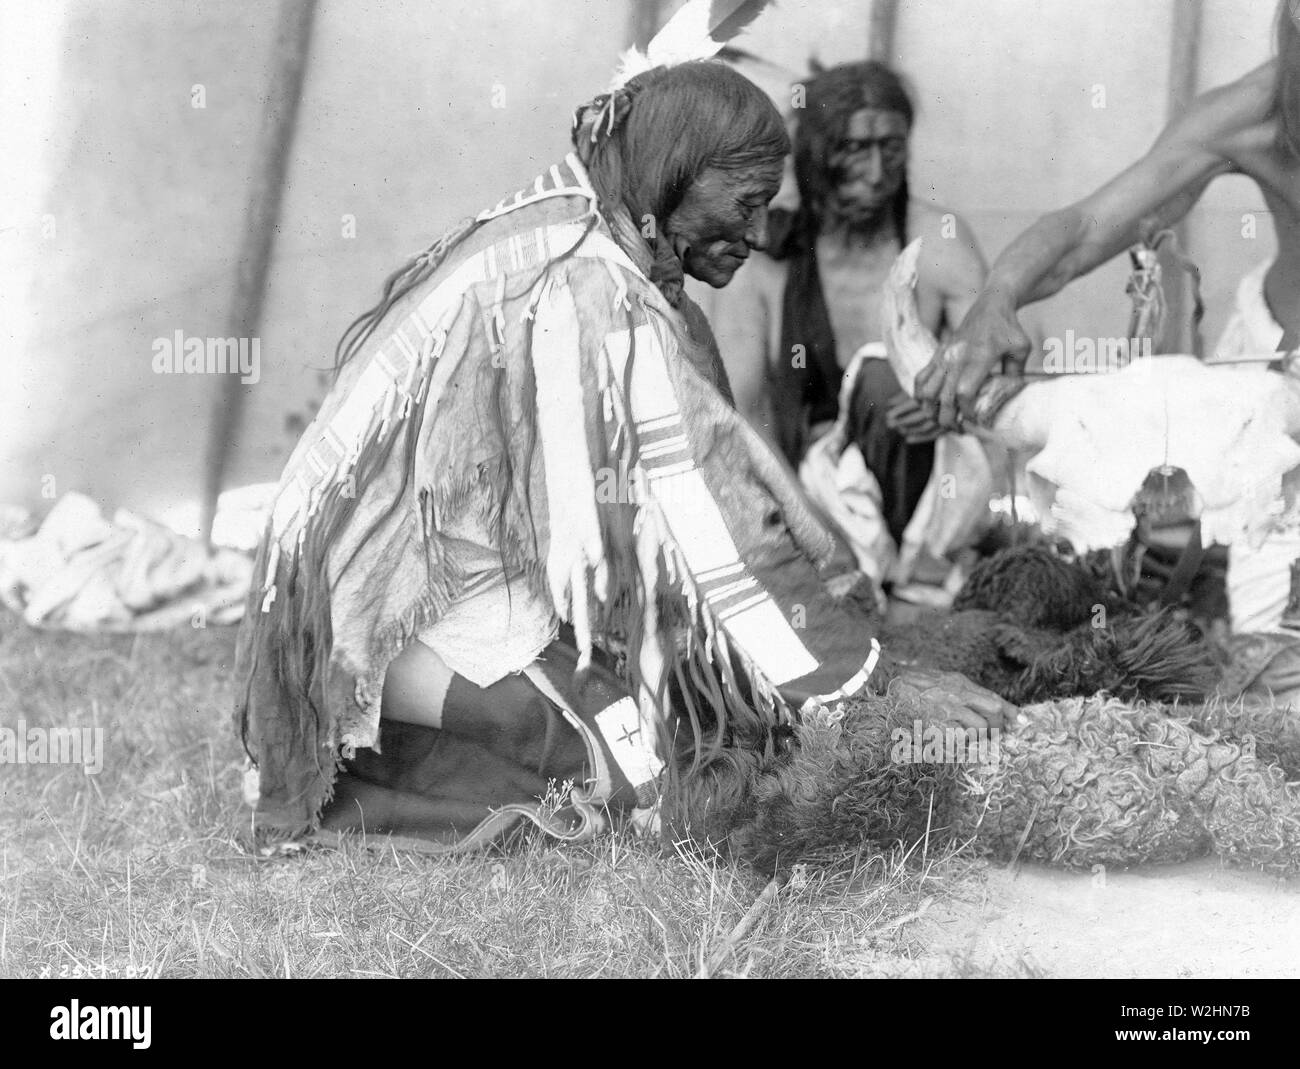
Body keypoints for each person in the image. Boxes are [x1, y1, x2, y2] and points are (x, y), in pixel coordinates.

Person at [234, 59, 1012, 852]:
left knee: (698, 712)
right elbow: (709, 522)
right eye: (743, 204)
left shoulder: (589, 220)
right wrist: (872, 683)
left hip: (444, 576)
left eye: (764, 208)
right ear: (676, 172)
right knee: (644, 769)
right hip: (364, 613)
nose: (753, 233)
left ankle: (429, 732)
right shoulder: (592, 283)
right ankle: (352, 755)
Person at [915, 2, 1300, 633]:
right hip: (1270, 385)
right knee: (1257, 637)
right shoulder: (1243, 115)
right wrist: (995, 301)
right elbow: (1082, 233)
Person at [694, 60, 991, 596]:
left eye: (891, 148)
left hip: (926, 500)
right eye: (855, 149)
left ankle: (912, 572)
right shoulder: (765, 256)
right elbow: (739, 417)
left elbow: (997, 372)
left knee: (881, 380)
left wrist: (949, 403)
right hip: (804, 490)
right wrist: (812, 530)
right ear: (814, 154)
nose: (876, 173)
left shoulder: (938, 240)